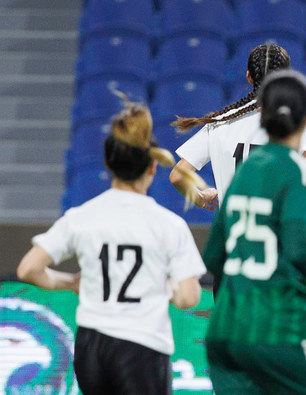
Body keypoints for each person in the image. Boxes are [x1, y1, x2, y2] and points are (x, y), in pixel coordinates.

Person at [16, 95, 207, 395]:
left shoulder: (81, 216)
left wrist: (71, 283)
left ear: (108, 164)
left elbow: (29, 269)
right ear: (152, 169)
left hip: (91, 348)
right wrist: (162, 287)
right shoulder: (168, 225)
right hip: (142, 347)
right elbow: (188, 298)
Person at [202, 70, 306, 395]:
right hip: (279, 328)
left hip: (227, 331)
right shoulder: (299, 171)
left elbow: (214, 256)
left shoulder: (242, 175)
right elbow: (299, 249)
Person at [169, 43, 306, 265]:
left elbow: (178, 176)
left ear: (248, 77)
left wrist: (200, 198)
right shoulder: (301, 126)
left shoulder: (219, 124)